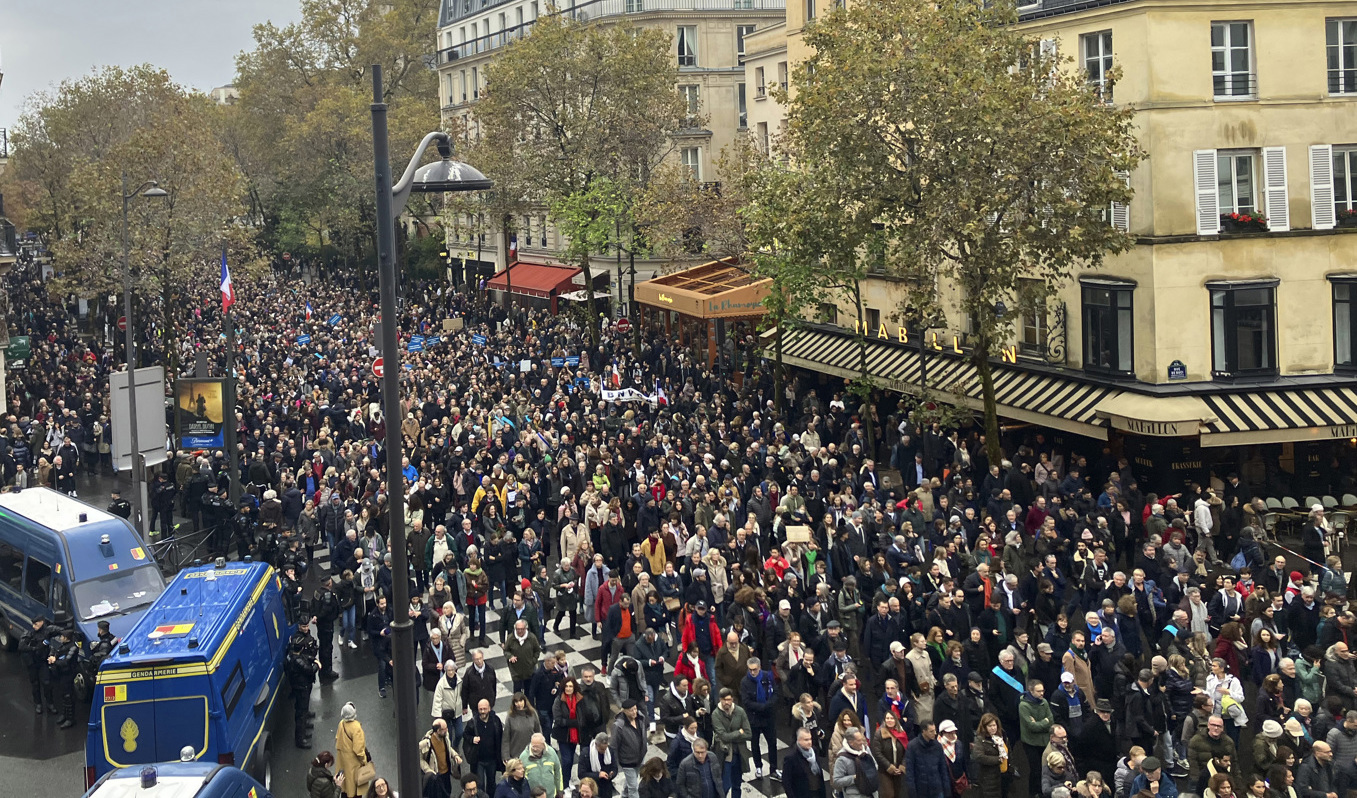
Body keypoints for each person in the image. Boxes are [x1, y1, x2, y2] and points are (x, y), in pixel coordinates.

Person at [740, 657, 779, 779]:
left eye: (755, 669)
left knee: (772, 743)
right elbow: (746, 701)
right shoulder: (745, 682)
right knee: (754, 743)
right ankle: (758, 767)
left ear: (760, 667)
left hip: (768, 716)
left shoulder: (768, 677)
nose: (752, 672)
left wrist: (768, 705)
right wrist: (761, 707)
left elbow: (776, 693)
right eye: (750, 670)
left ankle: (774, 768)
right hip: (754, 717)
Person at [286, 616, 322, 747]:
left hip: (304, 683)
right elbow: (308, 669)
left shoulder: (298, 654)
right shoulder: (298, 654)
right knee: (301, 712)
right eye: (303, 626)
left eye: (307, 626)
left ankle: (304, 727)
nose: (306, 628)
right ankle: (300, 739)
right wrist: (316, 664)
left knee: (303, 708)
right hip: (301, 684)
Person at [711, 688, 751, 798]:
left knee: (737, 784)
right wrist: (739, 732)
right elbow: (723, 737)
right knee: (725, 785)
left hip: (739, 753)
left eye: (729, 699)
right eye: (724, 700)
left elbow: (748, 734)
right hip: (726, 754)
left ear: (732, 699)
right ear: (720, 700)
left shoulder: (740, 711)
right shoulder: (716, 714)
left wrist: (730, 736)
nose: (727, 702)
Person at [1019, 680, 1054, 798]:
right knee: (1035, 770)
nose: (1042, 693)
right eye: (1038, 691)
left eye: (1043, 690)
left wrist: (1041, 723)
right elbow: (1031, 726)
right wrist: (1045, 722)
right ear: (1031, 691)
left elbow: (1051, 721)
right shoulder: (1023, 706)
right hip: (1031, 743)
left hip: (1044, 741)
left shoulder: (1044, 702)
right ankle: (1033, 793)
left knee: (1046, 769)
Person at [420, 718, 466, 798]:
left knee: (447, 793)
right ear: (438, 731)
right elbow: (420, 760)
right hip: (436, 776)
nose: (447, 730)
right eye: (444, 729)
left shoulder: (445, 737)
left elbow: (448, 748)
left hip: (446, 773)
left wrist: (455, 755)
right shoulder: (425, 743)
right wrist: (429, 771)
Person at [466, 698, 505, 793]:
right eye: (480, 709)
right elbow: (466, 735)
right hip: (479, 760)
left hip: (492, 759)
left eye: (484, 709)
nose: (483, 711)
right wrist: (472, 739)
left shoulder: (496, 721)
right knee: (480, 784)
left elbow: (501, 738)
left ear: (489, 709)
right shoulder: (473, 722)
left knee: (491, 783)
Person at [18, 616, 55, 715]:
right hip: (32, 663)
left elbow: (51, 645)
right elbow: (21, 646)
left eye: (36, 624)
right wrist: (34, 648)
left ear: (41, 622)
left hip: (43, 662)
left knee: (47, 683)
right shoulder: (30, 634)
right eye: (33, 624)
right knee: (35, 684)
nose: (34, 626)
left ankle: (50, 703)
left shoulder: (46, 633)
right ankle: (38, 703)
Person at [971, 713, 1013, 798]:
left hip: (1004, 776)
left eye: (994, 725)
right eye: (990, 726)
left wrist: (1011, 767)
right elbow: (979, 756)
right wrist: (997, 759)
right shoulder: (980, 739)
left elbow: (1009, 752)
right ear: (984, 727)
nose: (993, 728)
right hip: (989, 779)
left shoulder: (1002, 736)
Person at [336, 702, 372, 798]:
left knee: (345, 787)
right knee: (355, 789)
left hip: (343, 761)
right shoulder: (356, 727)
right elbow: (358, 750)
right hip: (354, 763)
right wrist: (364, 762)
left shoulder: (341, 724)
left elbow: (337, 739)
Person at [612, 699, 647, 798]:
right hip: (627, 761)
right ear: (625, 711)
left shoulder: (640, 718)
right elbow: (614, 746)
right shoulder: (619, 726)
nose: (634, 712)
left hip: (640, 757)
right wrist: (616, 764)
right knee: (634, 787)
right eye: (631, 710)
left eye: (635, 709)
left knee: (632, 780)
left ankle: (623, 795)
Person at [870, 708, 908, 798]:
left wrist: (902, 766)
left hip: (899, 769)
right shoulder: (879, 734)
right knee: (888, 794)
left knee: (897, 794)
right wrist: (889, 767)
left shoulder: (901, 733)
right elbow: (877, 753)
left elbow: (907, 751)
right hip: (885, 770)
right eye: (887, 718)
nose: (889, 720)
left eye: (892, 718)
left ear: (896, 719)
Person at [783, 727, 827, 798]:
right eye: (806, 740)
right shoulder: (791, 757)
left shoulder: (814, 751)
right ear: (799, 740)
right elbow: (786, 781)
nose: (809, 742)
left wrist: (823, 739)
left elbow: (824, 753)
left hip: (817, 792)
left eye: (810, 739)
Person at [504, 693, 544, 766]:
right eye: (516, 702)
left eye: (521, 701)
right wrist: (506, 757)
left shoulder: (532, 713)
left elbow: (538, 732)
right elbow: (506, 739)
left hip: (532, 754)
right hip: (516, 756)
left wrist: (541, 749)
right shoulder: (510, 717)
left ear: (525, 701)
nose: (519, 704)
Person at [521, 734, 563, 798]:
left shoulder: (551, 753)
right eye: (533, 746)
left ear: (543, 744)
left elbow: (558, 772)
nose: (534, 749)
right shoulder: (523, 756)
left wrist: (560, 790)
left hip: (550, 795)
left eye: (537, 746)